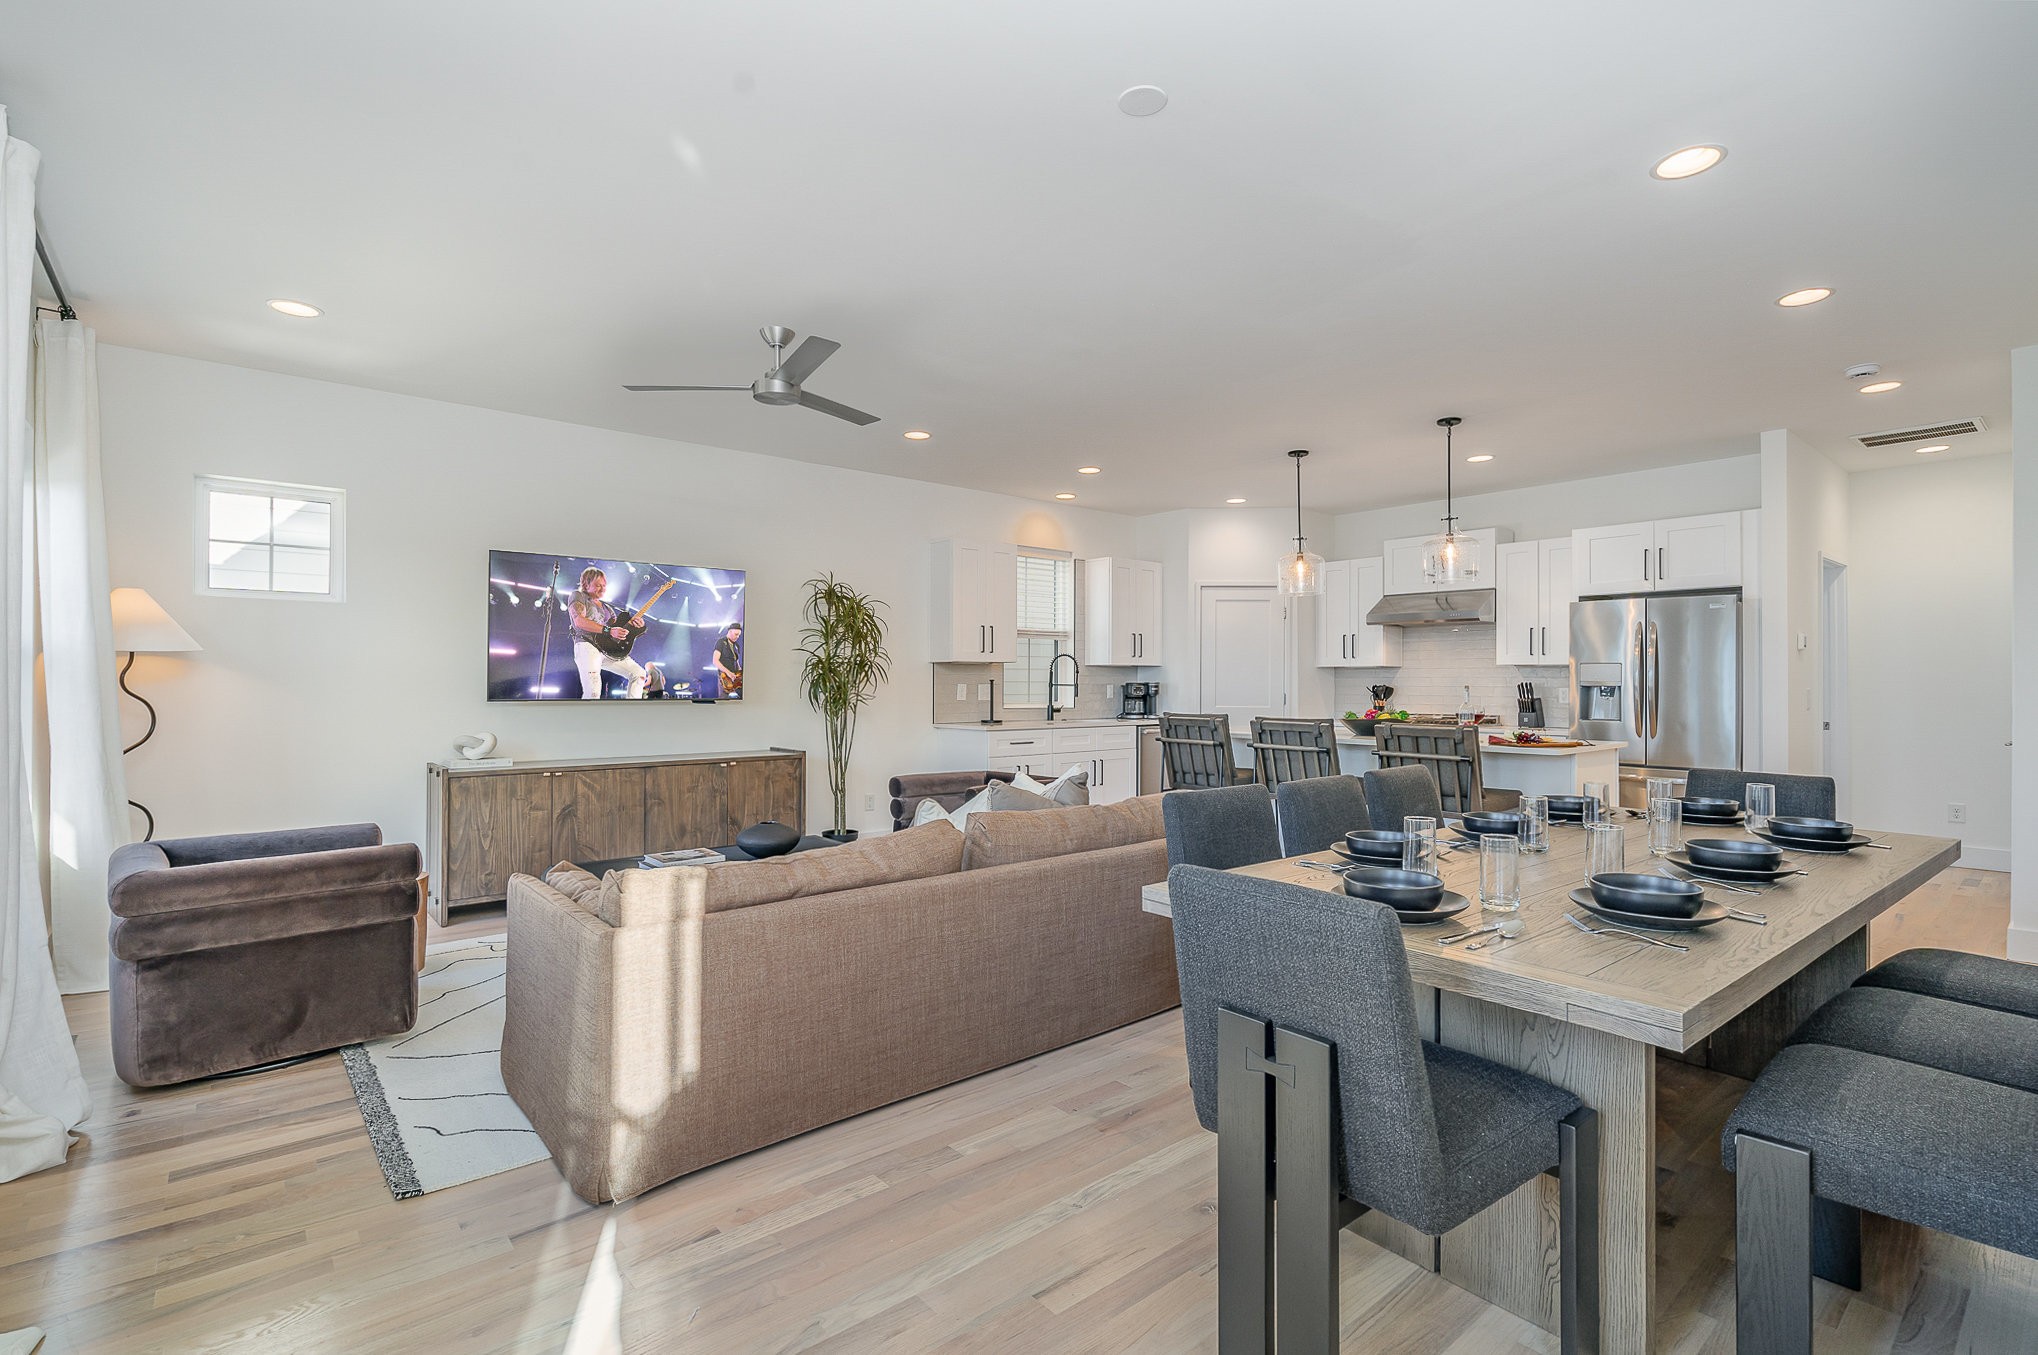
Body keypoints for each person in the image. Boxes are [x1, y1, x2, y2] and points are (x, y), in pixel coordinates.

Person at [568, 566, 648, 699]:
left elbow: (617, 631)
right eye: (598, 585)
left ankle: (632, 712)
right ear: (586, 584)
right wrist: (609, 630)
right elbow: (579, 621)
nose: (603, 589)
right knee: (593, 691)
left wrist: (636, 626)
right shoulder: (578, 595)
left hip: (606, 649)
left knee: (638, 673)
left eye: (604, 586)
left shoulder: (608, 608)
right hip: (586, 645)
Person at [713, 623, 743, 697]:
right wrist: (728, 673)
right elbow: (715, 661)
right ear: (730, 632)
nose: (738, 637)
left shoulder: (736, 645)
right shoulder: (721, 642)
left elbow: (737, 661)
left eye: (739, 635)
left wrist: (740, 673)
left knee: (742, 695)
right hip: (724, 676)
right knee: (723, 699)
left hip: (735, 676)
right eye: (736, 634)